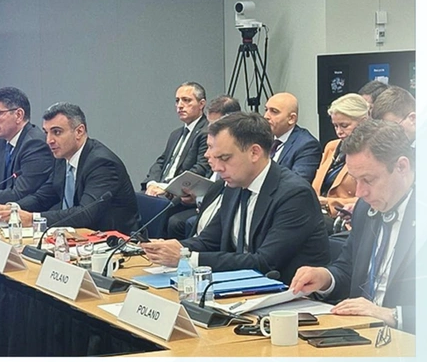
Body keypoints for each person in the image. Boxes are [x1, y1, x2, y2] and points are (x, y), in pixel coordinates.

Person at [141, 112, 329, 283]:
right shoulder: (234, 184)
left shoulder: (294, 194)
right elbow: (210, 240)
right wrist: (172, 248)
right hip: (243, 288)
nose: (217, 168)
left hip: (288, 296)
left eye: (224, 158)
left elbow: (265, 262)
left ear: (254, 152)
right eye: (215, 158)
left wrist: (187, 258)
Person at [290, 120, 415, 333]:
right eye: (356, 180)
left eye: (368, 179)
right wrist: (325, 278)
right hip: (361, 332)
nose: (359, 192)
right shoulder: (365, 209)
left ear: (401, 167)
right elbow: (347, 269)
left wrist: (392, 315)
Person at [0, 102, 139, 233]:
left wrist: (33, 219)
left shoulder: (102, 163)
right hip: (75, 239)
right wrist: (12, 210)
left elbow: (85, 214)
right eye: (47, 133)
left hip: (112, 244)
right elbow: (45, 195)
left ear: (79, 131)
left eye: (57, 132)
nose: (49, 140)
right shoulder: (62, 157)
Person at [165, 95, 242, 239]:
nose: (210, 130)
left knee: (182, 222)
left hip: (222, 208)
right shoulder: (212, 142)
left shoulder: (237, 153)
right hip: (204, 202)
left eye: (216, 125)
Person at [311, 93, 370, 230]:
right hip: (318, 215)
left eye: (344, 125)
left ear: (364, 122)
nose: (339, 131)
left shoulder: (371, 153)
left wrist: (328, 203)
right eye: (335, 126)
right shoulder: (331, 147)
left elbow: (368, 199)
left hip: (346, 222)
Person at [142, 82, 211, 195]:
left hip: (179, 194)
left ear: (201, 104)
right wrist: (152, 183)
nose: (180, 105)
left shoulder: (207, 131)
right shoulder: (175, 134)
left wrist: (167, 187)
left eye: (186, 100)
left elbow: (201, 168)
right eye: (177, 100)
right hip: (160, 189)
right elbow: (161, 162)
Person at [262, 92, 321, 182]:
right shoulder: (261, 138)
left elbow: (297, 184)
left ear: (291, 119)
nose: (266, 116)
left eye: (274, 111)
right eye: (266, 110)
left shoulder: (307, 145)